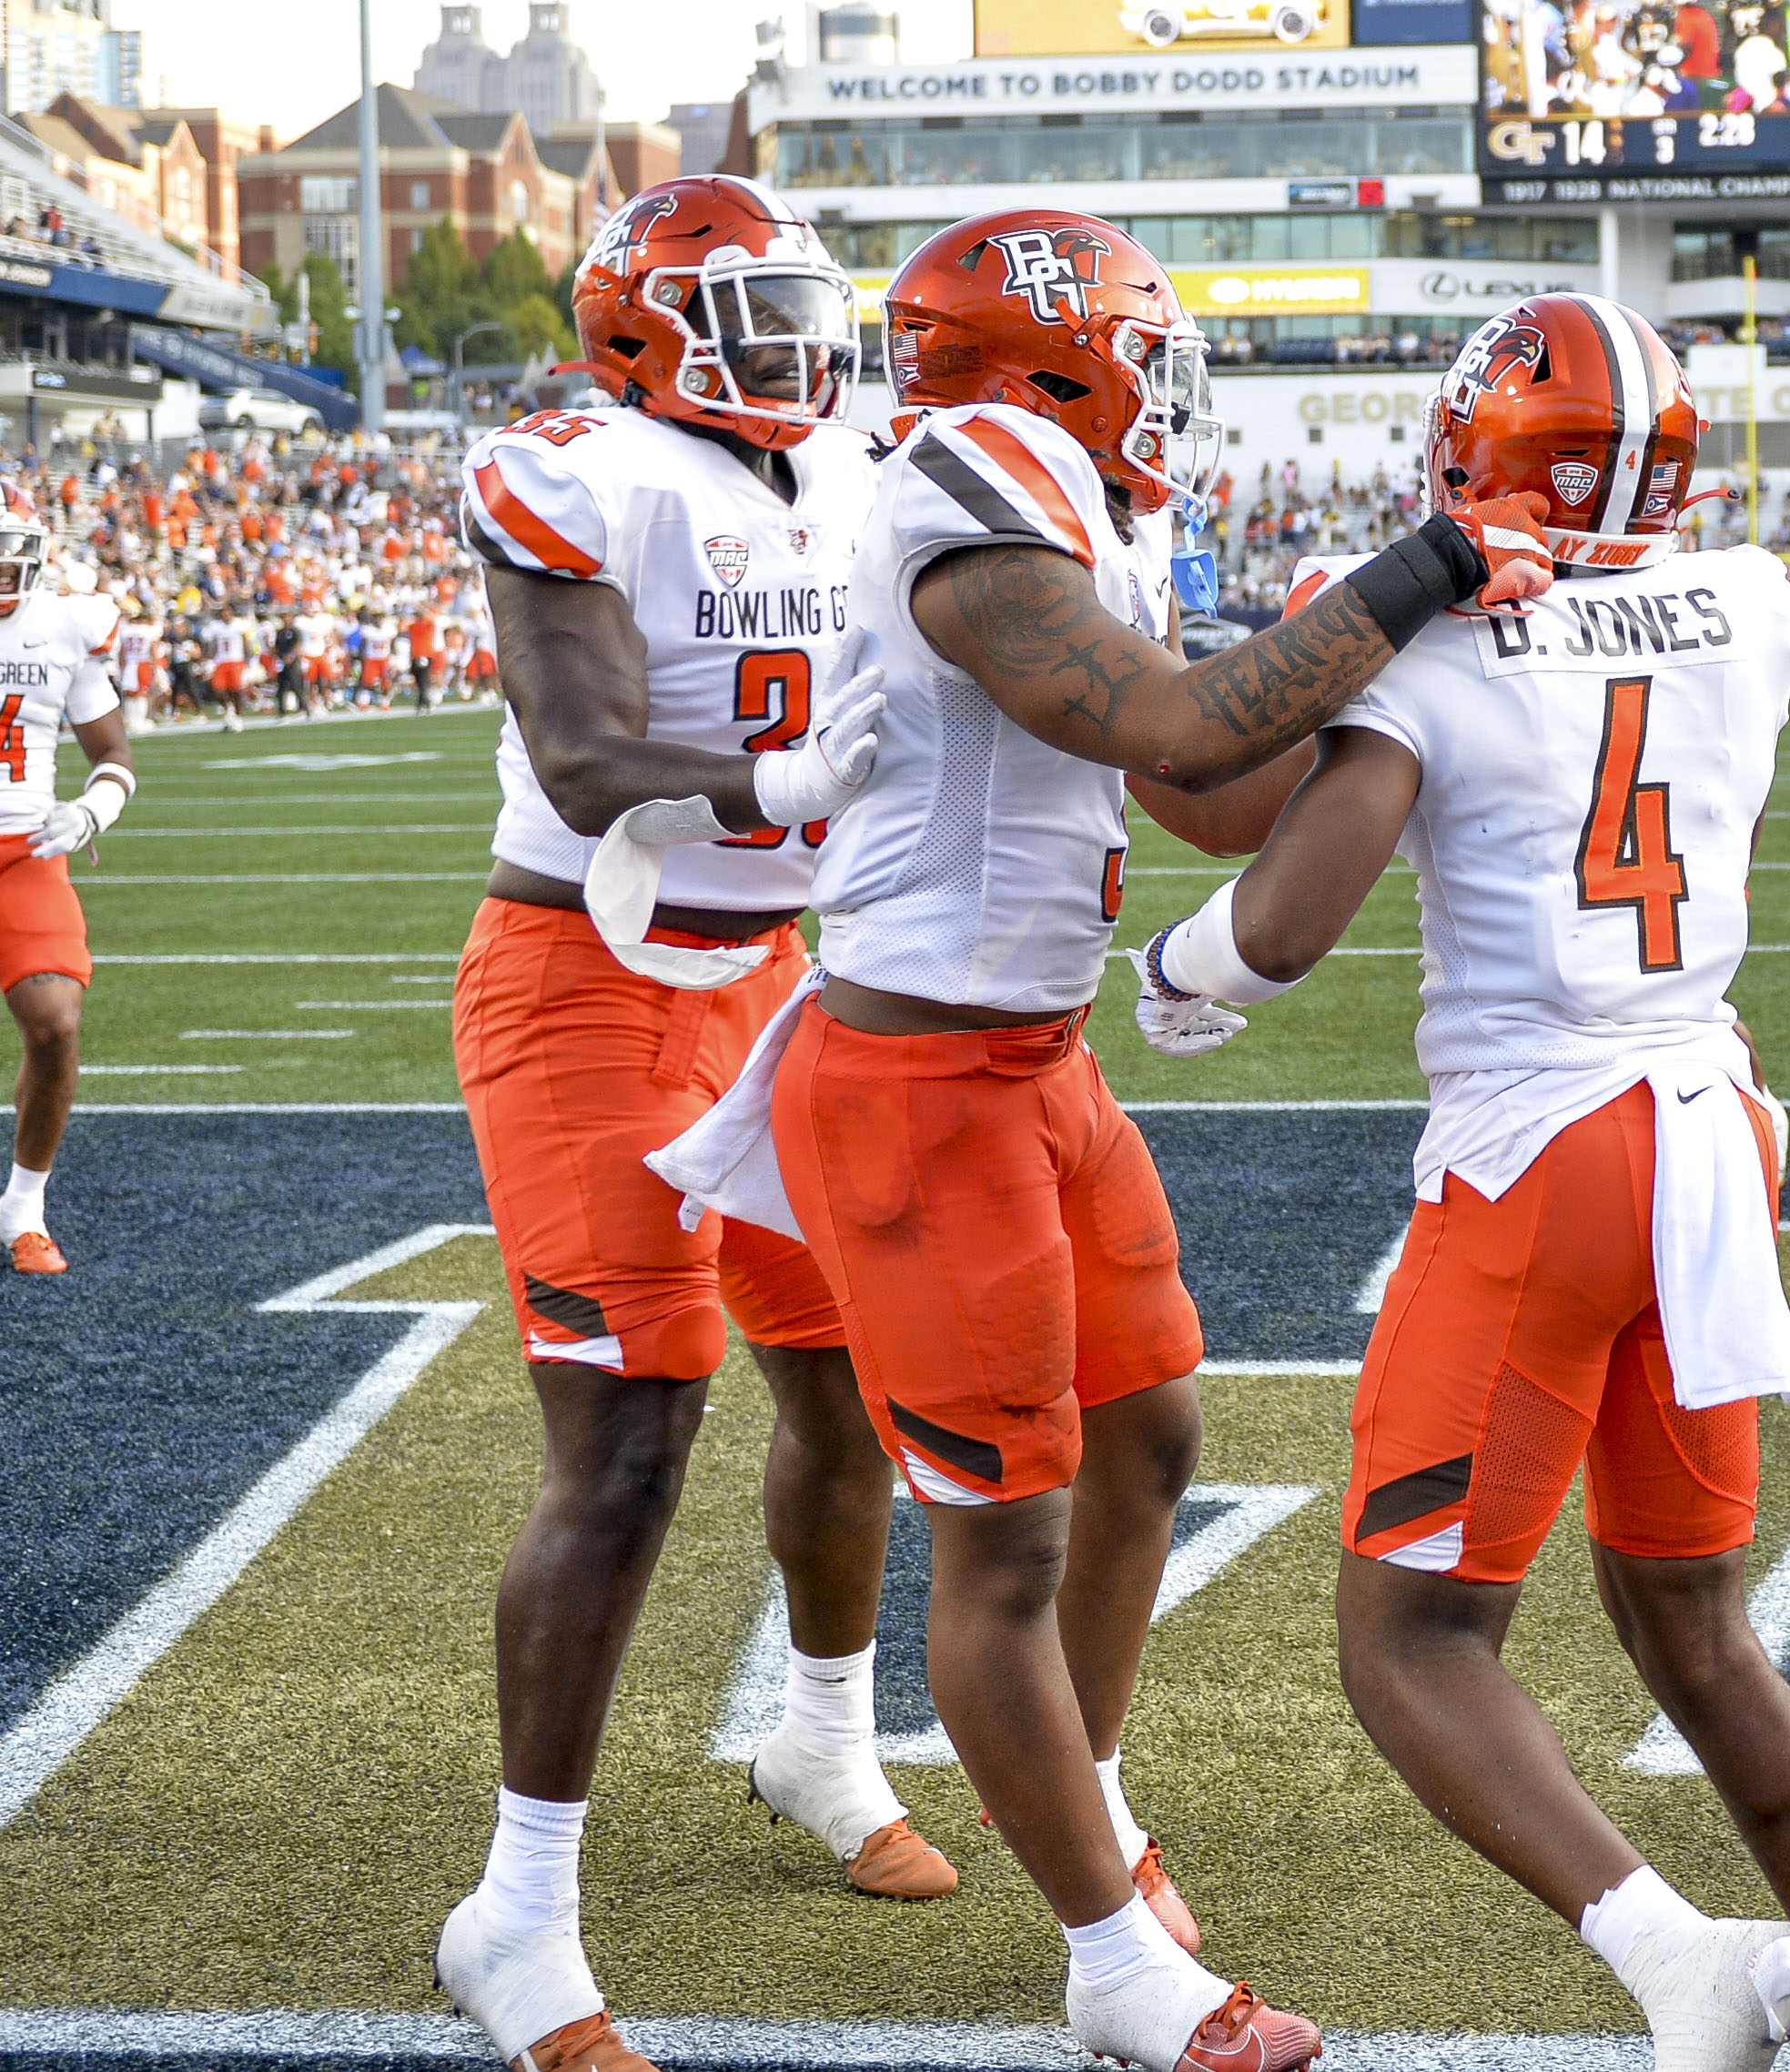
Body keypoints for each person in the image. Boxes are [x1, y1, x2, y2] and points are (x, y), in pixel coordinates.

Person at [653, 209, 1555, 2072]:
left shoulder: (1057, 488)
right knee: (998, 1538)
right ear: (1060, 357)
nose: (1173, 380)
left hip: (1034, 1065)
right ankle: (1110, 1966)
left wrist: (1404, 683)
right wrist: (1419, 571)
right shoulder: (965, 489)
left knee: (1150, 1431)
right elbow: (1162, 709)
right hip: (913, 1088)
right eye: (1149, 343)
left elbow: (1203, 799)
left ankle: (1091, 1791)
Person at [1132, 294, 1790, 2072]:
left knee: (1411, 1638)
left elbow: (1275, 925)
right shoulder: (1755, 604)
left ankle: (1682, 1962)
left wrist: (1167, 977)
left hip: (1546, 1153)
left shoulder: (1441, 642)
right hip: (1711, 1124)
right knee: (1693, 1616)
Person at [436, 175, 949, 2072]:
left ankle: (821, 1736)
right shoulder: (576, 471)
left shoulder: (847, 464)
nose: (797, 347)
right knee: (631, 1436)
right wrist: (788, 766)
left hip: (779, 975)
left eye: (808, 308)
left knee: (852, 1379)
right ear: (644, 327)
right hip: (585, 974)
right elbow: (584, 750)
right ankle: (521, 1911)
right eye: (752, 313)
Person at [0, 495, 131, 1275]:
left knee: (54, 1021)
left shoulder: (62, 627)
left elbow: (113, 751)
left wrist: (92, 811)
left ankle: (24, 1209)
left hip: (26, 849)